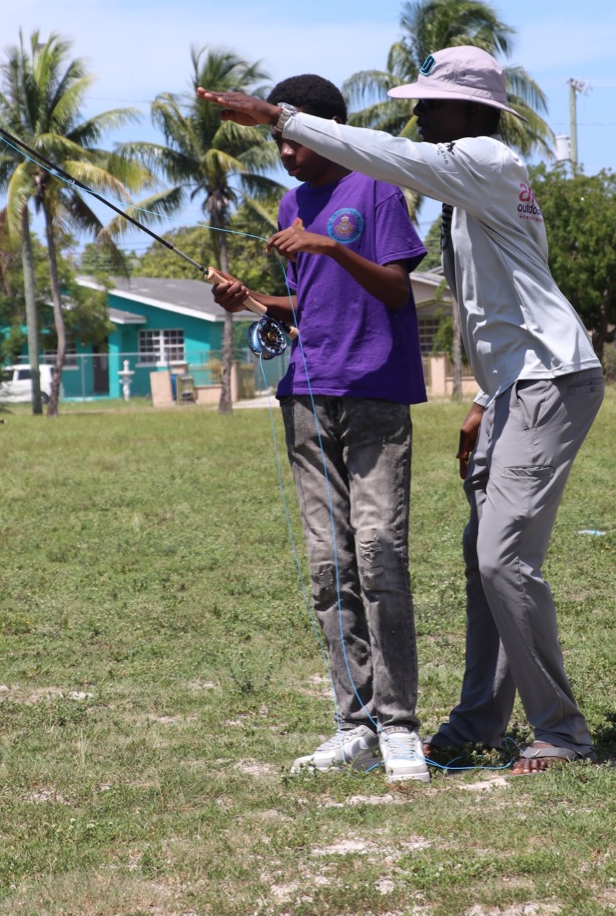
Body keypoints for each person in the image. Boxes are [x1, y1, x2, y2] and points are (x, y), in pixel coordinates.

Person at [199, 46, 604, 776]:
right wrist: (483, 396)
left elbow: (386, 162)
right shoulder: (467, 186)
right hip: (513, 387)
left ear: (470, 109)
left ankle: (562, 733)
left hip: (549, 380)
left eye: (430, 102)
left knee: (502, 559)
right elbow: (493, 307)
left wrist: (279, 115)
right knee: (480, 559)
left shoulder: (482, 159)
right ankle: (478, 720)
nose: (417, 114)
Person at [210, 74, 430, 783]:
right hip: (307, 394)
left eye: (292, 139)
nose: (284, 152)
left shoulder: (377, 189)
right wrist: (250, 300)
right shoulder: (290, 202)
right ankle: (353, 725)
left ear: (326, 130)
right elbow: (305, 307)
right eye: (276, 142)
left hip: (375, 393)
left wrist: (329, 248)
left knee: (378, 554)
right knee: (328, 565)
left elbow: (397, 289)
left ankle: (399, 728)